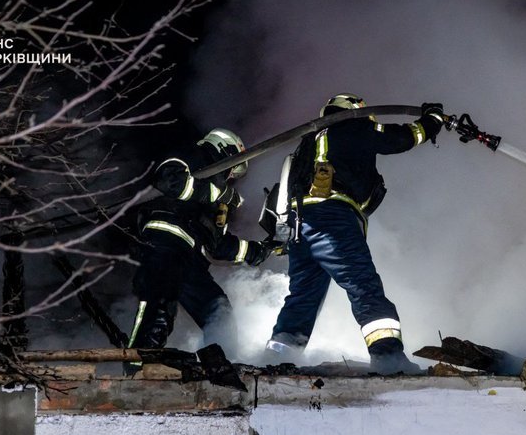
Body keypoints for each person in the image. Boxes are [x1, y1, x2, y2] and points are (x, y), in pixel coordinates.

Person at [265, 94, 445, 374]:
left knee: (303, 297)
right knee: (364, 285)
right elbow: (398, 138)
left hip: (300, 225)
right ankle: (389, 359)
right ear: (355, 111)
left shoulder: (308, 144)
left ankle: (276, 359)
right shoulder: (351, 127)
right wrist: (431, 121)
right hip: (332, 219)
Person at [126, 128, 274, 375]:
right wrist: (220, 194)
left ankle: (219, 371)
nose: (230, 178)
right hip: (165, 240)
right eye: (231, 170)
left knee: (218, 309)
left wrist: (258, 250)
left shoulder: (215, 199)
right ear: (226, 150)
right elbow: (170, 181)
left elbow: (218, 245)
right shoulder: (194, 155)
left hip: (190, 257)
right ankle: (136, 371)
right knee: (159, 306)